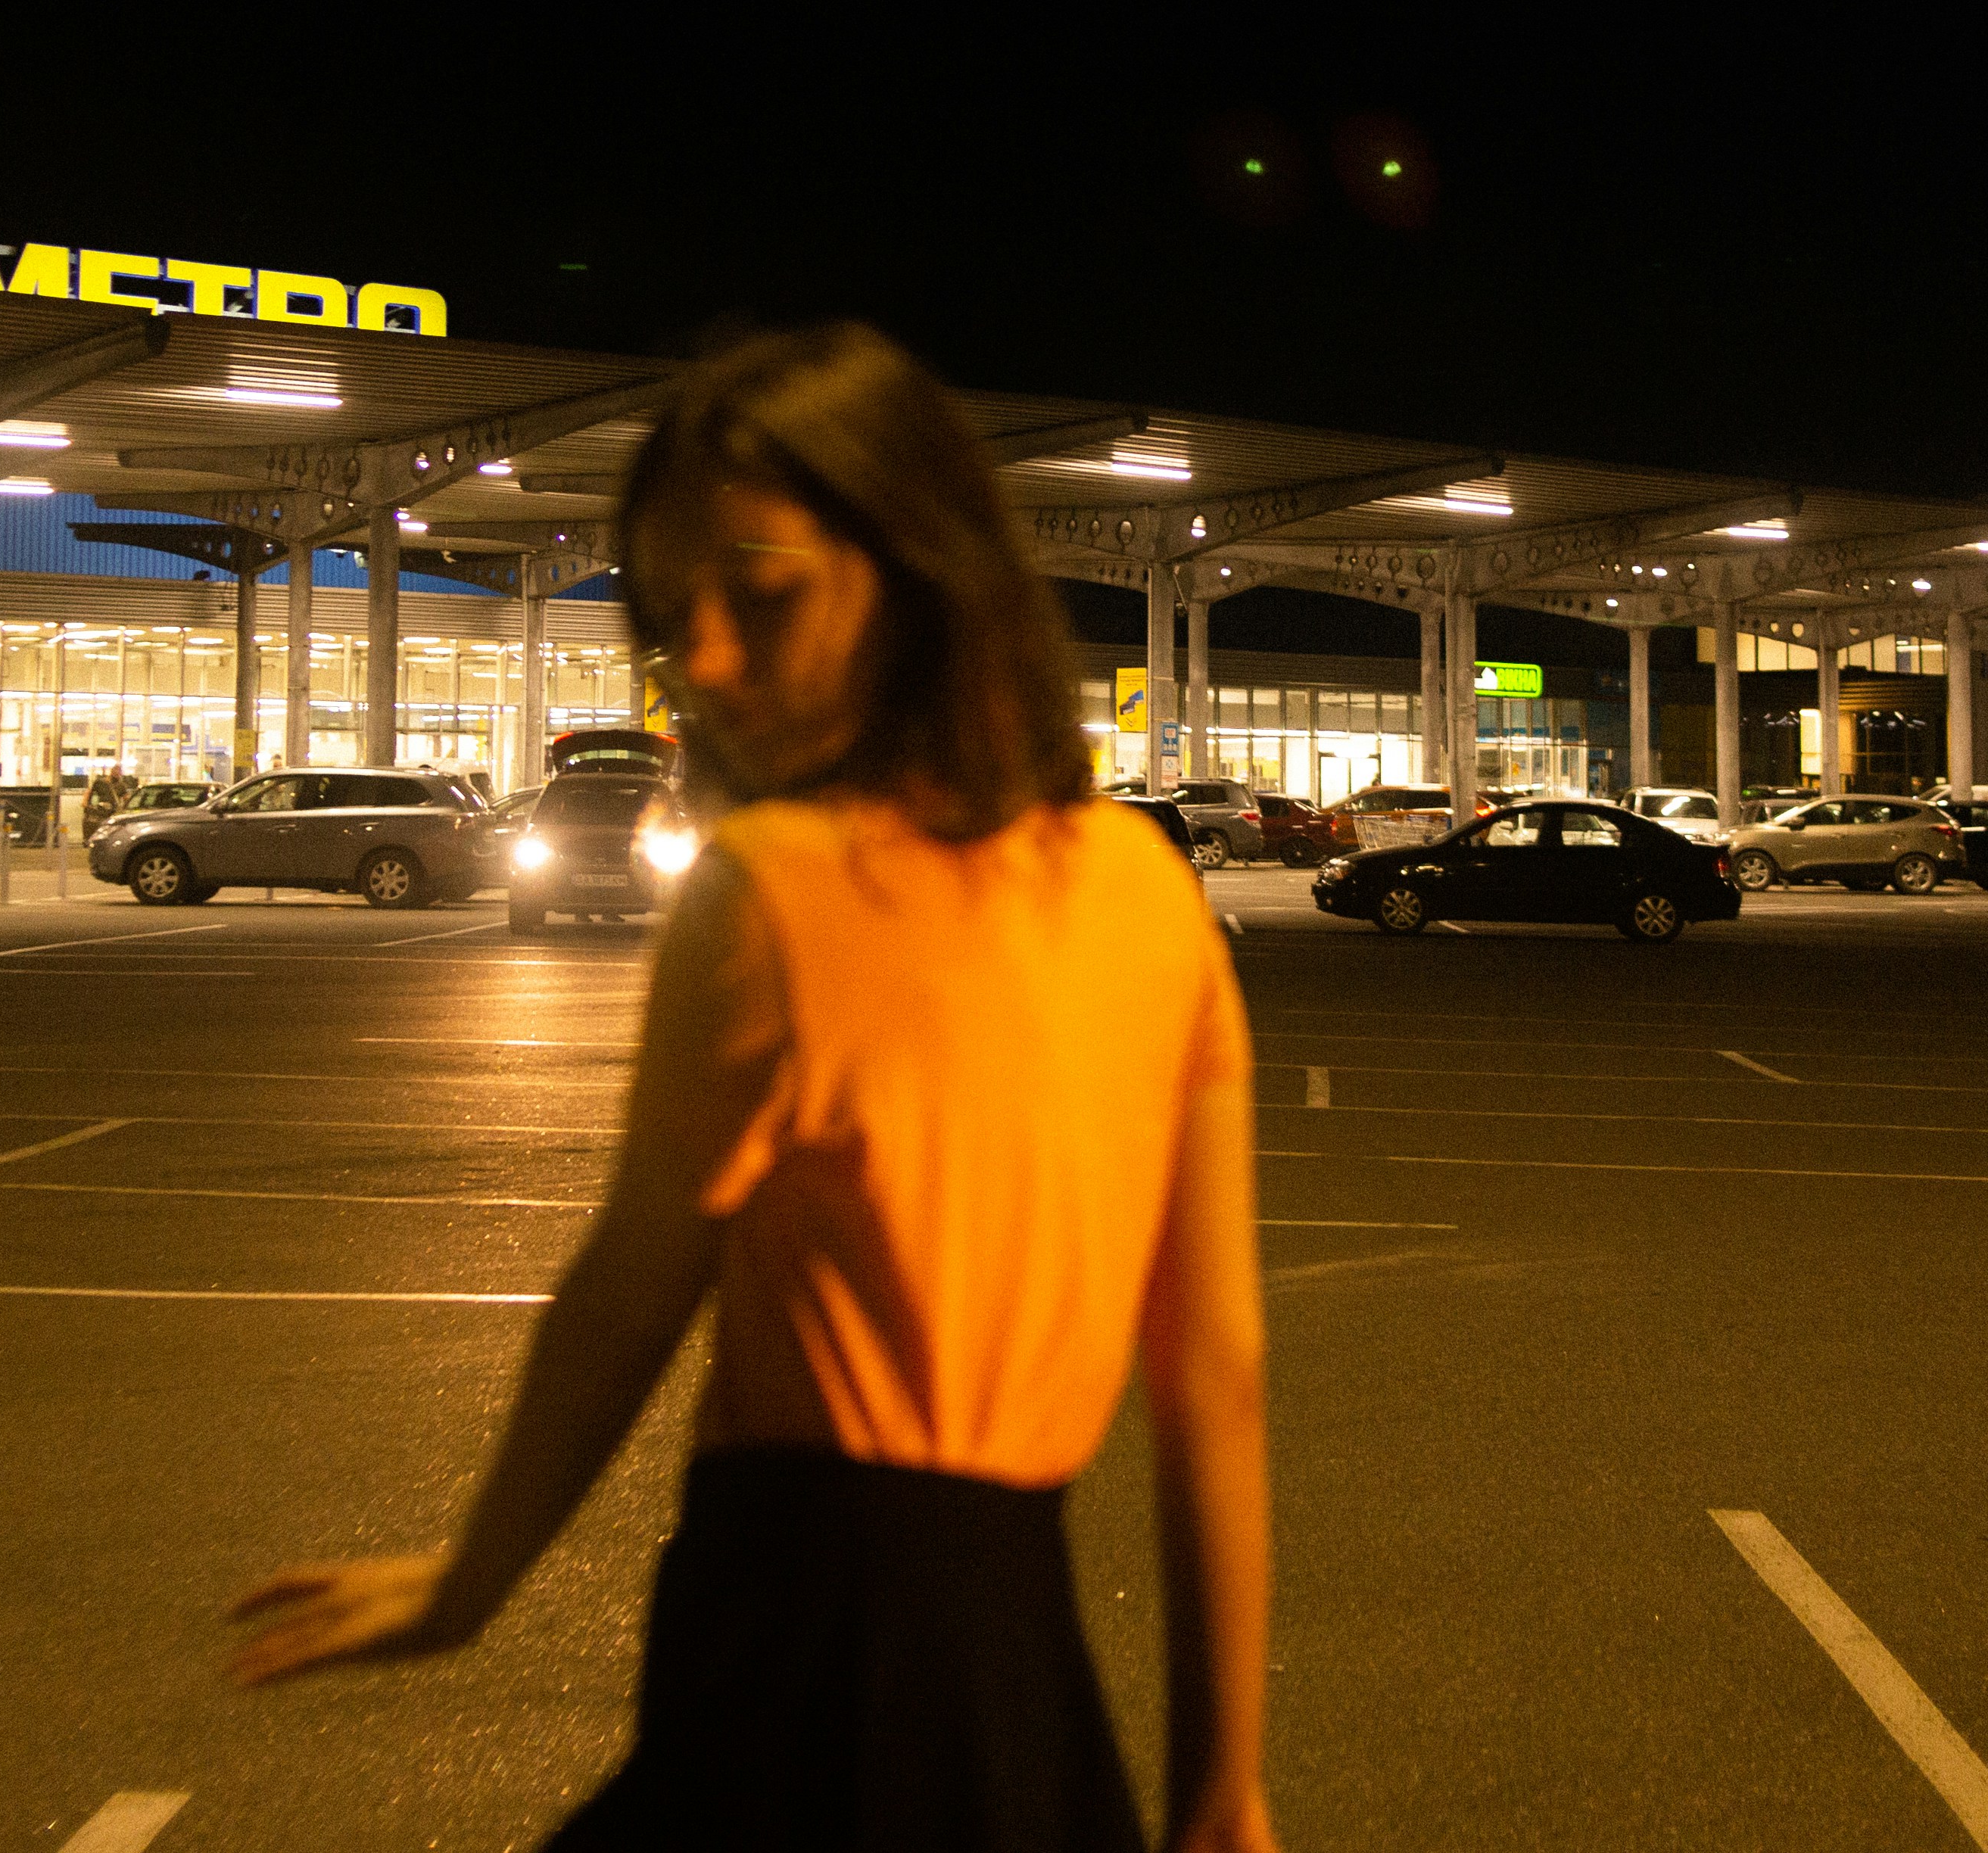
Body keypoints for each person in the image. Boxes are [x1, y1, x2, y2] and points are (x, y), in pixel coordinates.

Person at [223, 323, 1281, 1853]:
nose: (698, 666)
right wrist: (1222, 1788)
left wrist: (476, 1580)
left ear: (914, 565)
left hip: (797, 1651)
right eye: (668, 620)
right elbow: (1216, 1384)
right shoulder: (1142, 891)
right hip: (1010, 1672)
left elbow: (629, 1293)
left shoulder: (774, 888)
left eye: (759, 594)